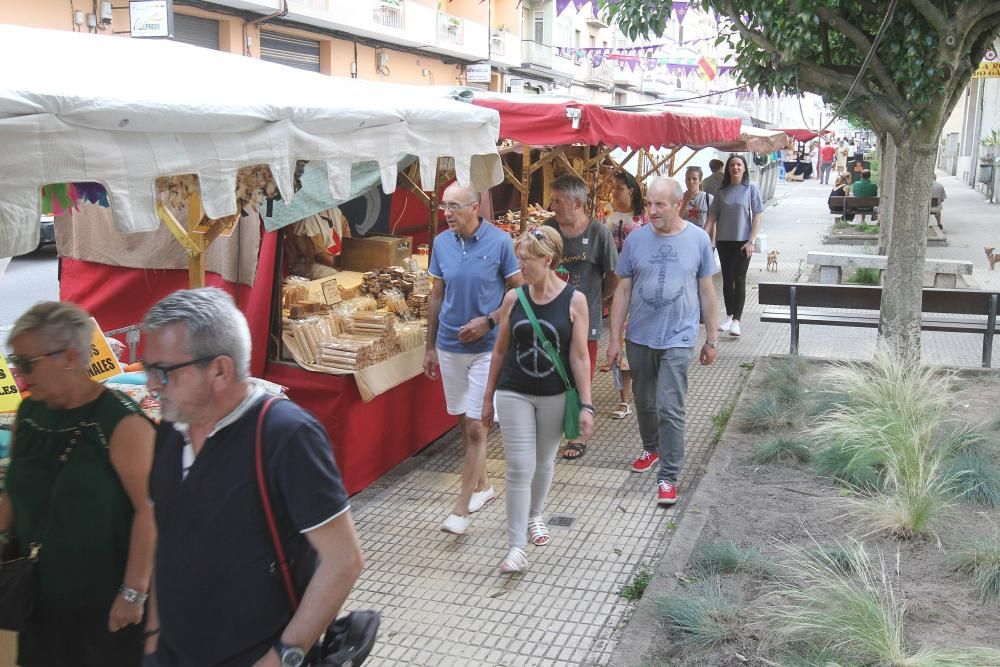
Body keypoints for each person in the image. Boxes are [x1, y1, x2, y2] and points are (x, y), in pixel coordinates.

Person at [141, 288, 364, 667]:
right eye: (148, 370)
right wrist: (153, 640)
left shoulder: (285, 435)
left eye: (163, 372)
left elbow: (344, 561)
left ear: (220, 370)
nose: (151, 386)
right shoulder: (169, 431)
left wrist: (284, 656)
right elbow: (167, 539)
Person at [1, 301, 155, 667]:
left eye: (27, 363)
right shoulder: (31, 414)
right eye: (15, 363)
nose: (20, 375)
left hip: (102, 603)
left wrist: (133, 593)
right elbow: (16, 493)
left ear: (70, 357)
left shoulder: (122, 425)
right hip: (37, 596)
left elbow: (151, 512)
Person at [481, 226, 594, 573]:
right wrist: (488, 398)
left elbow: (579, 357)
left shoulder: (575, 300)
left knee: (544, 461)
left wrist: (587, 405)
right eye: (519, 258)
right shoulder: (514, 298)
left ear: (548, 260)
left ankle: (535, 515)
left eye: (526, 260)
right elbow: (500, 351)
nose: (520, 266)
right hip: (513, 390)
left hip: (554, 394)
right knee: (518, 467)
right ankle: (515, 547)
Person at [607, 177, 719, 506]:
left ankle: (668, 476)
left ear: (677, 205)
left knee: (670, 407)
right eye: (649, 204)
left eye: (659, 204)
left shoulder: (698, 240)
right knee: (645, 403)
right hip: (640, 336)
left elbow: (707, 291)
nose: (651, 210)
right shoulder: (636, 240)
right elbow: (622, 290)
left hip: (679, 336)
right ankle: (651, 447)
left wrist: (711, 338)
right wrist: (614, 338)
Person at [424, 183, 522, 534]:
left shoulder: (500, 243)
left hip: (488, 348)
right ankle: (483, 487)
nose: (447, 213)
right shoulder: (441, 243)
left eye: (454, 206)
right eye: (443, 207)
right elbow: (436, 296)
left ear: (475, 207)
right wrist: (430, 346)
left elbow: (518, 291)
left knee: (479, 426)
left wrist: (490, 320)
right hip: (450, 346)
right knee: (465, 423)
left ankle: (460, 508)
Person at [544, 174, 617, 460]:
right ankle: (550, 430)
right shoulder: (547, 230)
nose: (552, 206)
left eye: (557, 201)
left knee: (579, 378)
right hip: (550, 320)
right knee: (551, 376)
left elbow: (613, 277)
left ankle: (576, 435)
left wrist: (597, 302)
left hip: (584, 323)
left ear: (576, 203)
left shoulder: (599, 233)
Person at [598, 170, 647, 419]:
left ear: (631, 190)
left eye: (618, 187)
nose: (614, 192)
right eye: (613, 187)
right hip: (612, 281)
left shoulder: (643, 217)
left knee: (631, 339)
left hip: (638, 284)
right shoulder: (605, 211)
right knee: (616, 338)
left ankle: (637, 391)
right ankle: (624, 399)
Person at [705, 154, 764, 339]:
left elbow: (757, 216)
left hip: (743, 242)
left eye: (739, 164)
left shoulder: (751, 188)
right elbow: (712, 216)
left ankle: (737, 321)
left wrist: (751, 241)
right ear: (727, 169)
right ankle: (729, 316)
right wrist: (701, 236)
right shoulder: (722, 192)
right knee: (727, 279)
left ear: (744, 168)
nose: (735, 168)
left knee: (739, 279)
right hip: (724, 241)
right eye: (732, 165)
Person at [284, 207, 347, 279]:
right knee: (337, 278)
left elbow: (348, 239)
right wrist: (348, 262)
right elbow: (322, 258)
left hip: (336, 262)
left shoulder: (334, 209)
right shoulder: (306, 219)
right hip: (310, 267)